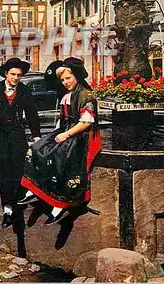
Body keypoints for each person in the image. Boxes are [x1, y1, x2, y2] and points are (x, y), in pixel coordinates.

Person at [18, 57, 101, 225]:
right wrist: (55, 133)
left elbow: (85, 122)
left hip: (83, 135)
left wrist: (65, 135)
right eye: (62, 79)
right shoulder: (69, 94)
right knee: (37, 148)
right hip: (68, 129)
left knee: (61, 156)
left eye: (68, 78)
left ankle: (61, 203)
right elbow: (64, 119)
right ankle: (34, 189)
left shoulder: (86, 95)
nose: (65, 82)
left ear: (76, 76)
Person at [0, 57, 41, 228]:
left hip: (16, 135)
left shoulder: (23, 90)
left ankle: (17, 206)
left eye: (19, 75)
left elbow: (32, 114)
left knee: (18, 172)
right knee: (4, 172)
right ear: (6, 74)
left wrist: (36, 135)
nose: (15, 78)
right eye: (13, 74)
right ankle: (7, 211)